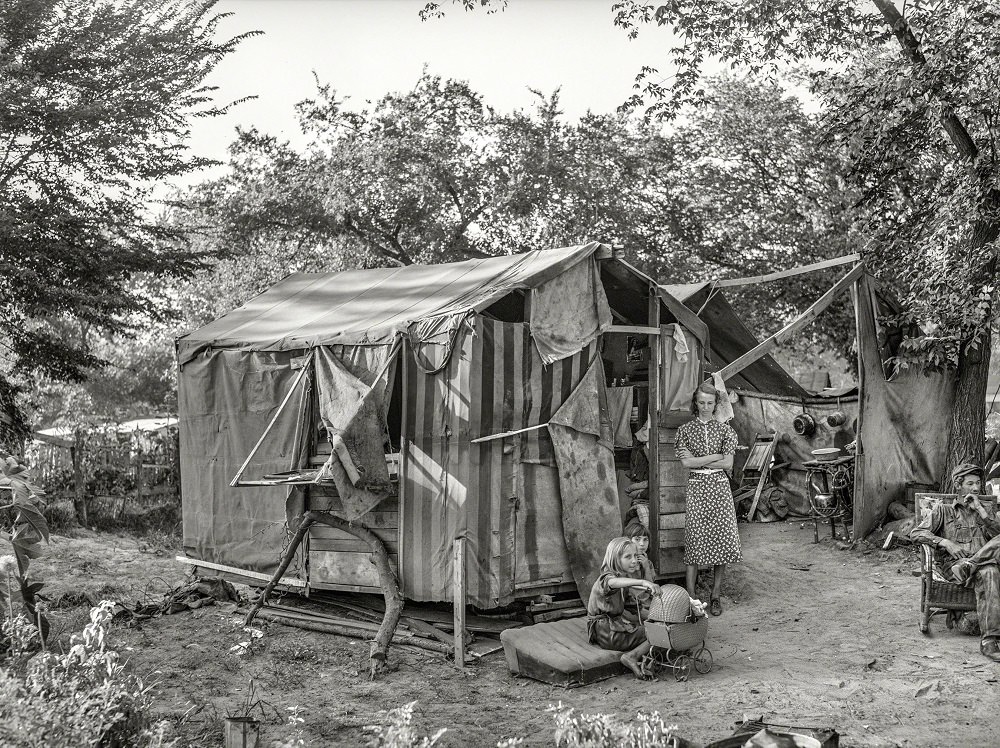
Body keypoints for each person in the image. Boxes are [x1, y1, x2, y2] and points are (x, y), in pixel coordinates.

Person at [911, 462, 1000, 663]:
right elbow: (916, 533)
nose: (976, 488)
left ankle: (972, 564)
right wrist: (945, 542)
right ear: (958, 485)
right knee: (990, 571)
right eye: (970, 484)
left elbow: (998, 537)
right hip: (955, 567)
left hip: (977, 566)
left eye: (978, 483)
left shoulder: (984, 511)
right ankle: (990, 641)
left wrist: (981, 511)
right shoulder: (943, 510)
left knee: (989, 569)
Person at [675, 381, 741, 616]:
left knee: (721, 541)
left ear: (716, 405)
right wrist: (714, 456)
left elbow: (727, 463)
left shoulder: (725, 431)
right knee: (695, 540)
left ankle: (715, 595)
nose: (705, 407)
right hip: (697, 487)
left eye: (709, 403)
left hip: (720, 488)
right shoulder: (685, 431)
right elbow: (686, 463)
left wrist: (701, 458)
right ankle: (691, 597)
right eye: (701, 402)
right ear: (695, 402)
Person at [586, 536, 661, 679]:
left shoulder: (624, 584)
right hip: (607, 633)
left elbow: (637, 610)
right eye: (628, 557)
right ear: (615, 559)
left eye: (635, 556)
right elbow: (613, 583)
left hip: (608, 630)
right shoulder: (607, 579)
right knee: (661, 634)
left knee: (660, 627)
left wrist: (662, 617)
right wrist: (643, 583)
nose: (634, 561)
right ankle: (632, 657)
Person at [623, 518, 656, 616]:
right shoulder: (623, 562)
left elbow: (651, 589)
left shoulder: (648, 563)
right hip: (630, 605)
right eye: (637, 539)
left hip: (647, 603)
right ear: (628, 540)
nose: (642, 544)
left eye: (645, 539)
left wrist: (646, 567)